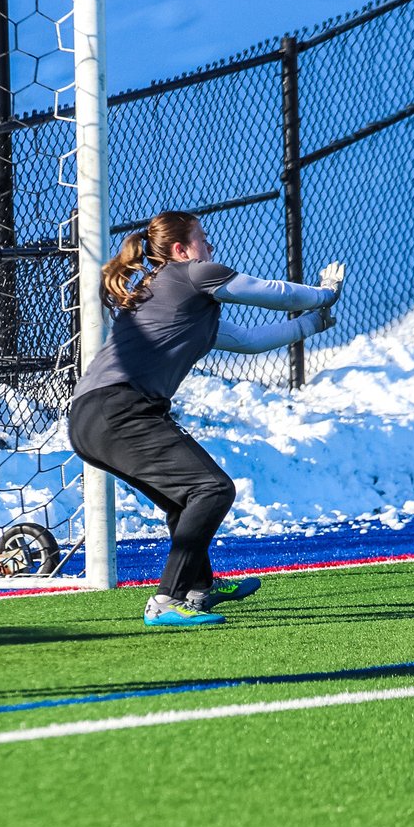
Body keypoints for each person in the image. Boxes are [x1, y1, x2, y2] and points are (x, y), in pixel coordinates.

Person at [69, 209, 345, 627]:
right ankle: (166, 600)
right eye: (203, 239)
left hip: (97, 416)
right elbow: (272, 293)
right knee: (212, 489)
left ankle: (198, 587)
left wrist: (312, 323)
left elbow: (249, 341)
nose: (210, 247)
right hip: (117, 410)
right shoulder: (189, 275)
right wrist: (323, 295)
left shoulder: (177, 298)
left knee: (188, 497)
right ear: (181, 250)